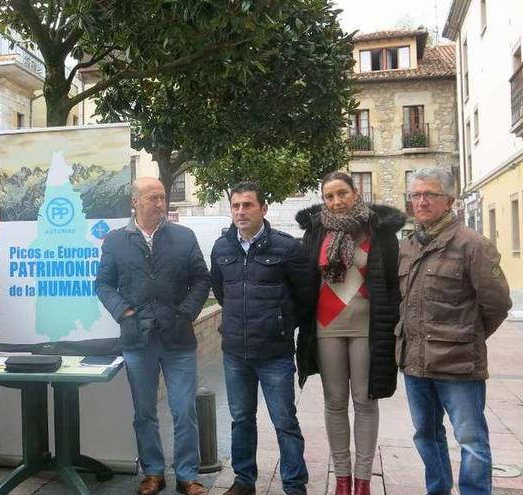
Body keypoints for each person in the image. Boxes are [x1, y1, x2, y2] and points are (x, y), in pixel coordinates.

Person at [398, 167, 511, 495]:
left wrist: (468, 336)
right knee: (425, 435)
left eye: (429, 194)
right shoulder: (407, 246)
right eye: (416, 195)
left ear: (449, 200)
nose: (421, 201)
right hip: (415, 364)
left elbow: (497, 303)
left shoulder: (472, 245)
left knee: (471, 438)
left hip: (458, 364)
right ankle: (438, 489)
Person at [95, 177, 210, 495]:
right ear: (135, 201)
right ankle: (153, 473)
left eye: (162, 197)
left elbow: (202, 279)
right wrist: (123, 311)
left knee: (183, 408)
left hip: (178, 340)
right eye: (152, 197)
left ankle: (188, 475)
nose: (160, 203)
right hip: (137, 340)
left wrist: (186, 312)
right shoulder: (116, 241)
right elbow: (103, 284)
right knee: (144, 412)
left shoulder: (184, 237)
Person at [295, 172, 405, 495]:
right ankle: (342, 478)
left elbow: (391, 283)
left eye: (342, 193)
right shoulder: (315, 230)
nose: (336, 201)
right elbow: (305, 278)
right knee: (335, 401)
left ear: (355, 193)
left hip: (367, 327)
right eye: (328, 196)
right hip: (326, 326)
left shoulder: (379, 231)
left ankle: (363, 481)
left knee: (365, 401)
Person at [210, 181, 313, 495]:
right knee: (241, 419)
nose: (240, 211)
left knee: (285, 422)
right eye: (236, 206)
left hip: (274, 355)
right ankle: (244, 482)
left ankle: (294, 485)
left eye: (247, 205)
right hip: (235, 354)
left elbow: (305, 297)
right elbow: (221, 292)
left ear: (263, 209)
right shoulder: (222, 247)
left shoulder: (287, 247)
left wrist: (280, 325)